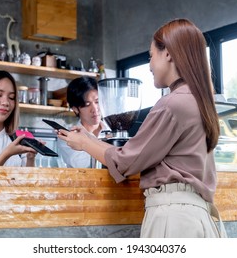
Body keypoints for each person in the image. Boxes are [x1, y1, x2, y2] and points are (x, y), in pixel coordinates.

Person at [57, 18, 226, 238]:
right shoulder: (199, 100)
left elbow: (126, 162)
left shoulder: (172, 104)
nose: (149, 66)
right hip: (197, 217)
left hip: (173, 220)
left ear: (168, 54)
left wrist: (84, 143)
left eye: (151, 56)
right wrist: (89, 140)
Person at [57, 76, 109, 168]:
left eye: (97, 102)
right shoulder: (69, 136)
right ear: (75, 109)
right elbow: (81, 165)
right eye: (87, 104)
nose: (95, 109)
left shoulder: (113, 131)